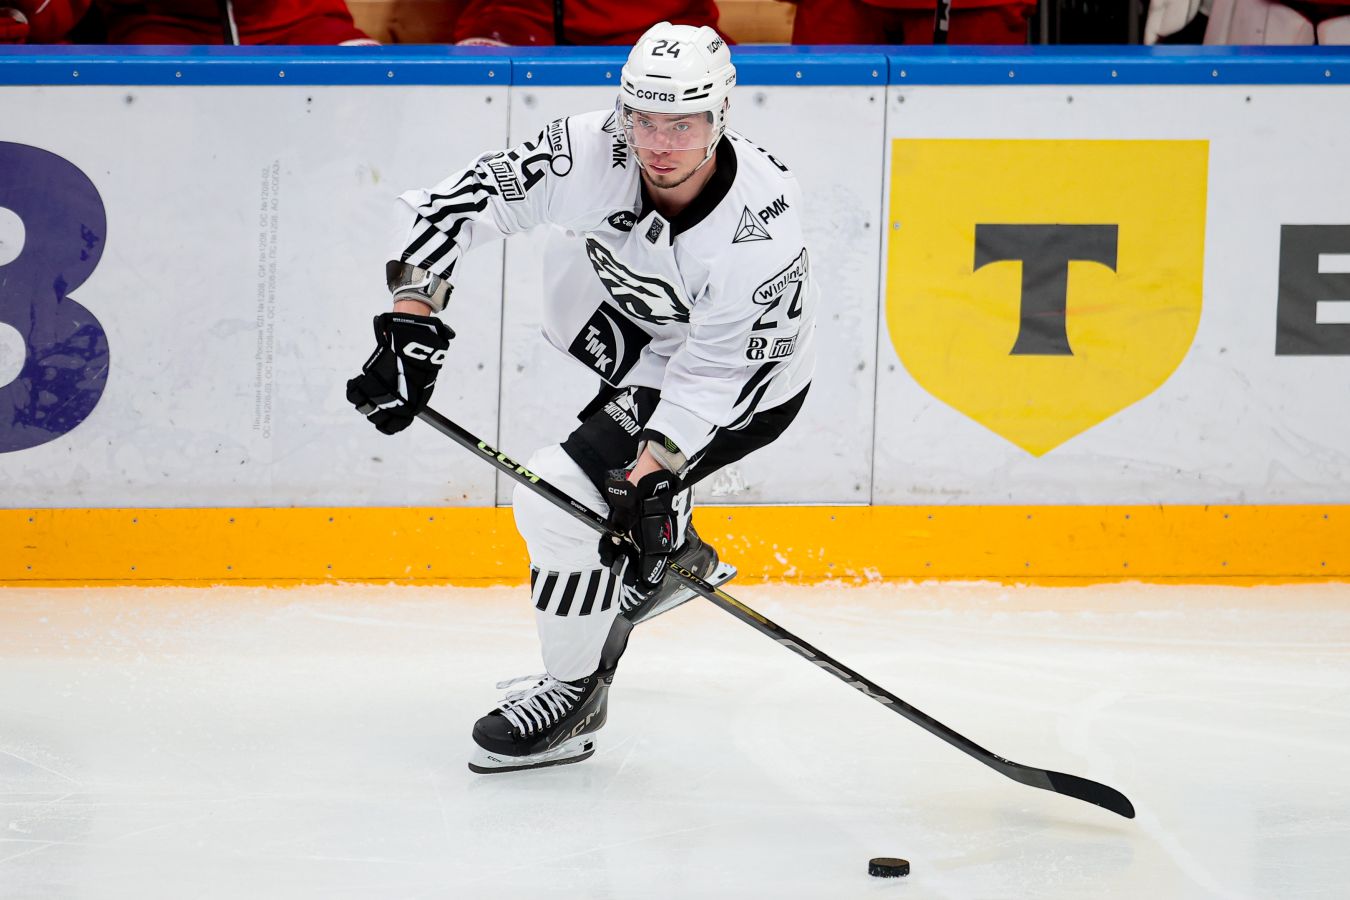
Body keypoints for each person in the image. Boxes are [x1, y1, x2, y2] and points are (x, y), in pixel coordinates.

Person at [347, 22, 815, 773]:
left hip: (741, 385)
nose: (659, 144)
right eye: (644, 119)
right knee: (614, 497)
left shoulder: (759, 227)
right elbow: (454, 206)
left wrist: (653, 470)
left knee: (557, 498)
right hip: (636, 334)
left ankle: (575, 694)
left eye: (683, 124)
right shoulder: (590, 148)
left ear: (721, 115)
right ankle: (676, 554)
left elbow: (718, 374)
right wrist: (412, 320)